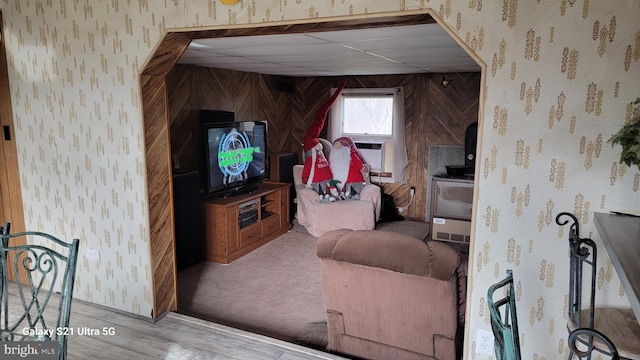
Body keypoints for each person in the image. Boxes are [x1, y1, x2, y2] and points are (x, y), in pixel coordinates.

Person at [301, 81, 346, 195]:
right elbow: (307, 173)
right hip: (318, 183)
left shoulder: (319, 153)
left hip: (328, 181)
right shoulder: (310, 152)